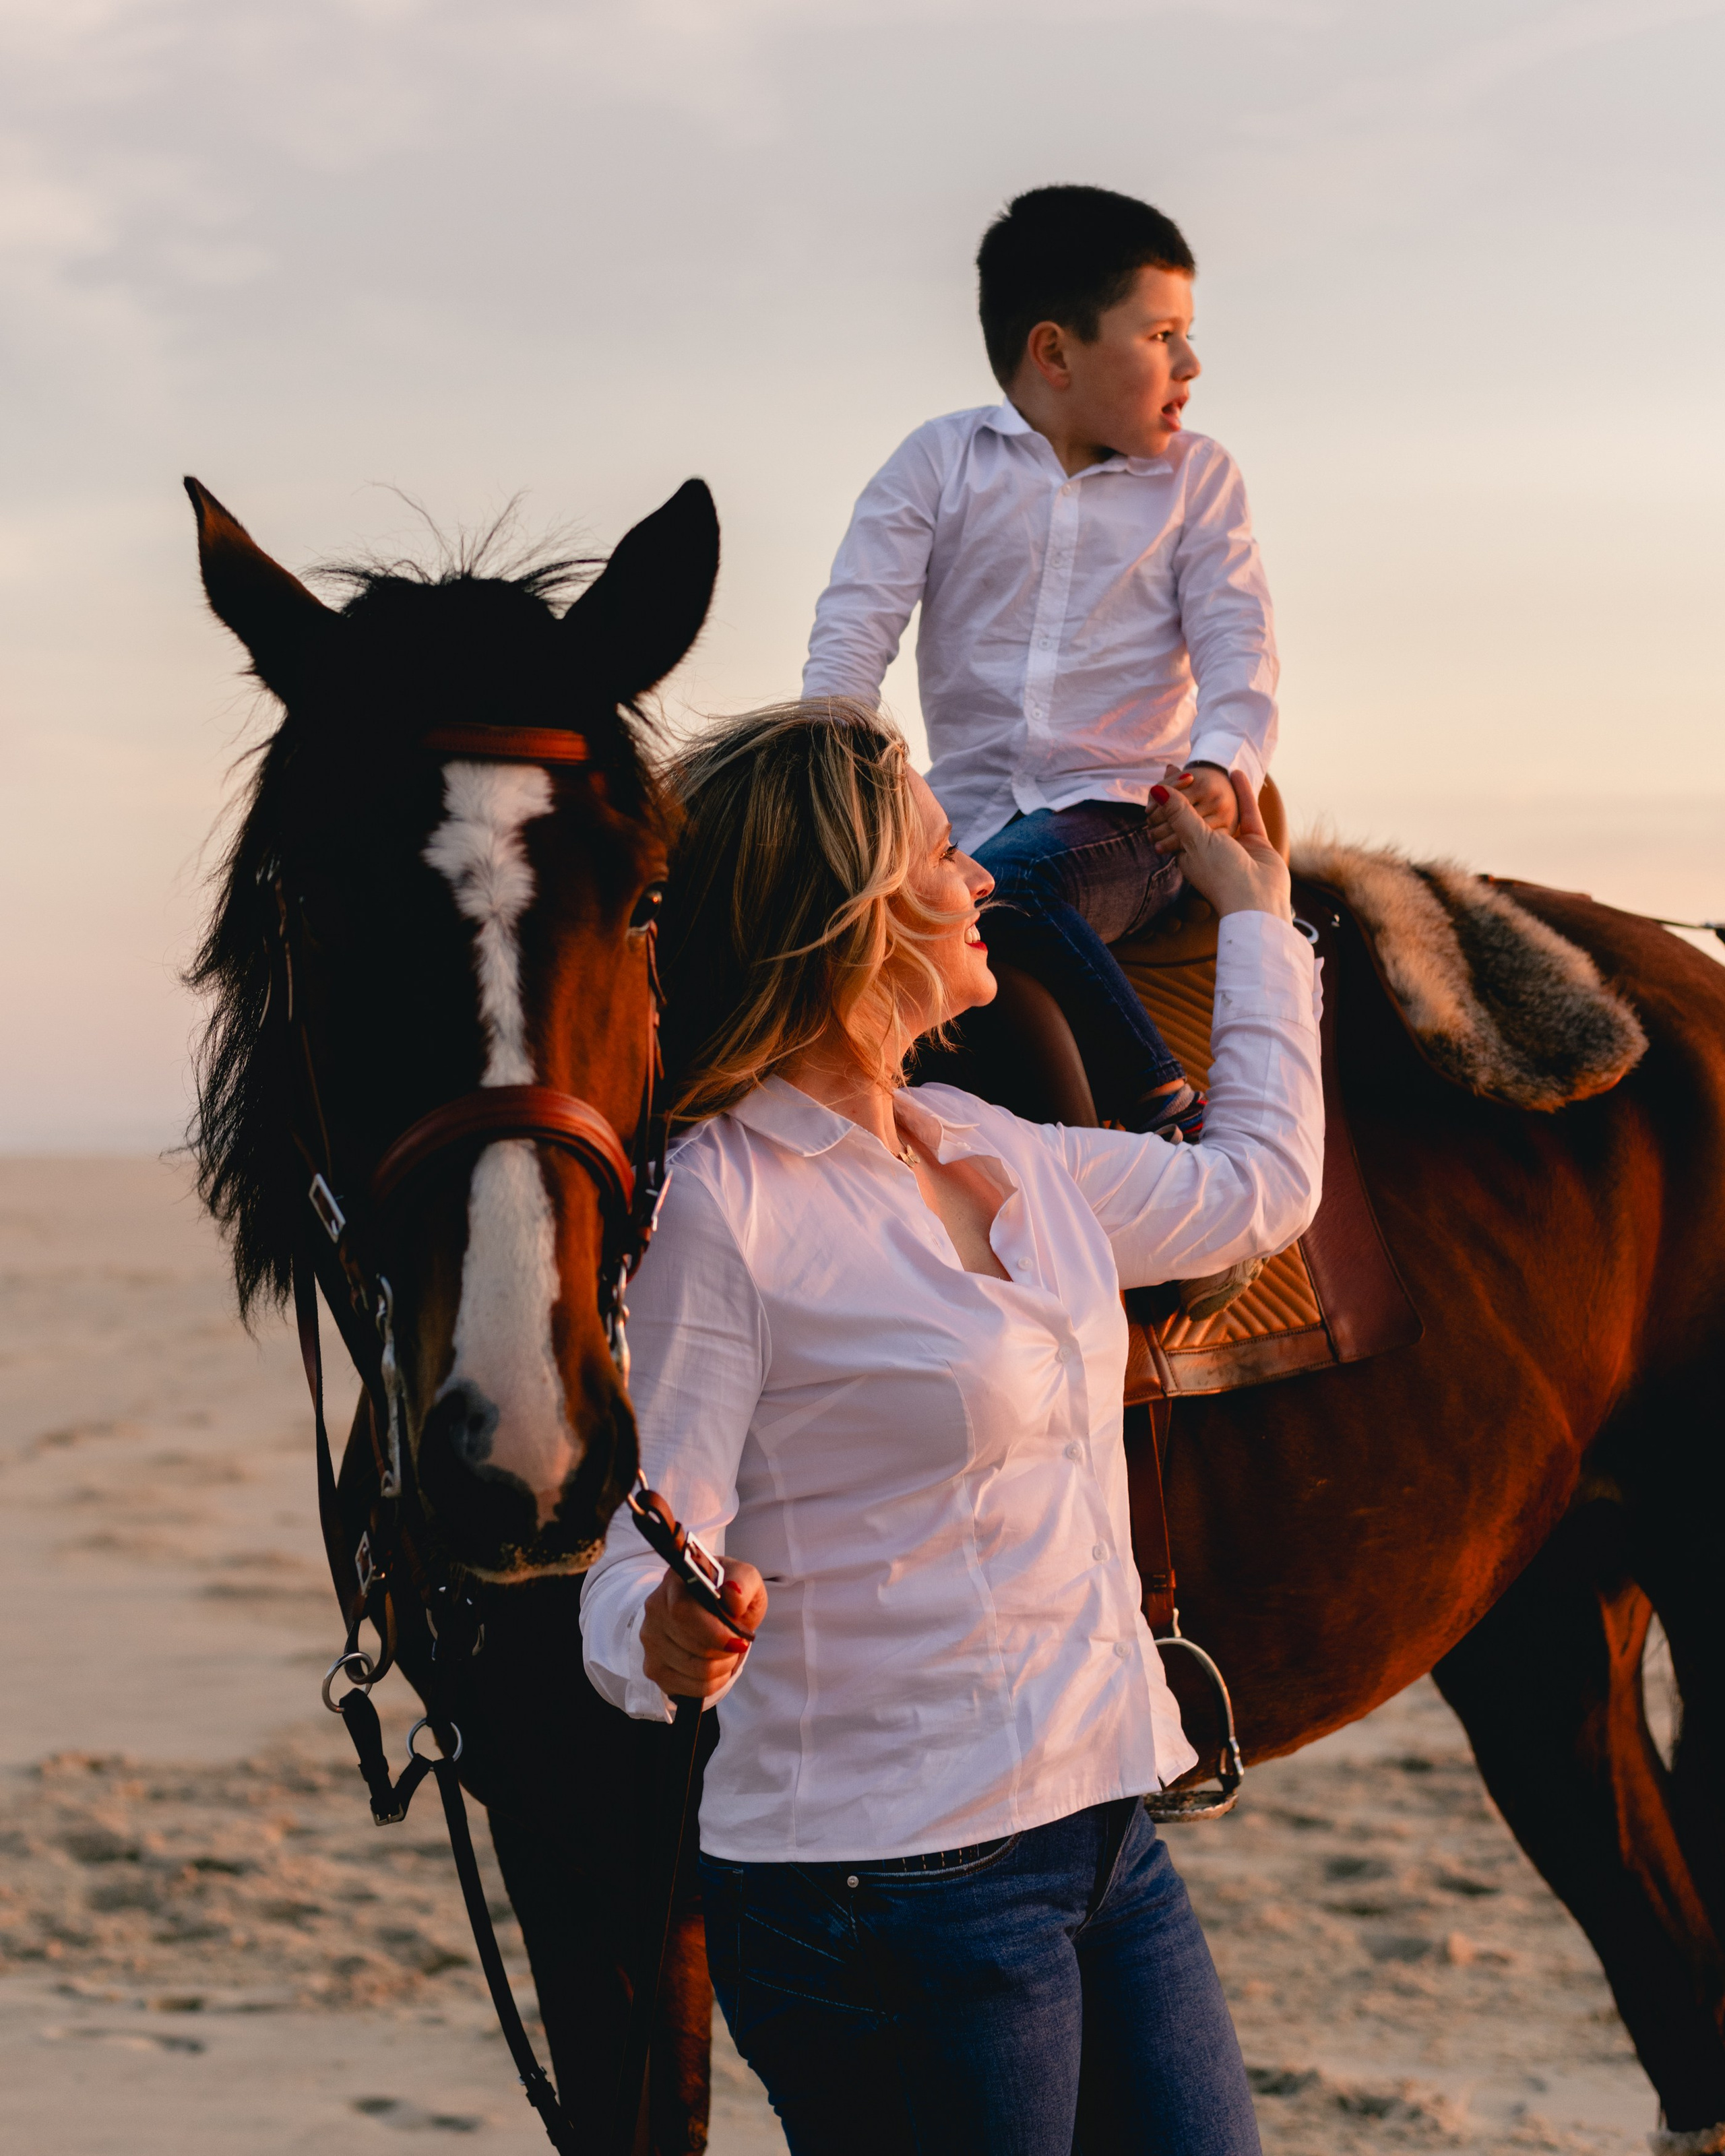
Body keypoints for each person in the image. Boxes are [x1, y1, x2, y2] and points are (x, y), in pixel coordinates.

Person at [579, 700, 1321, 2155]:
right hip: (888, 1887)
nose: (983, 875)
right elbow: (637, 1560)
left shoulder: (999, 1149)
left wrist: (1255, 925)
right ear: (850, 910)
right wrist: (663, 1638)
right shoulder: (716, 1208)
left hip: (1106, 1823)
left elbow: (1254, 1192)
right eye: (940, 852)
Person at [801, 185, 1278, 1167]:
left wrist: (1224, 767)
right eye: (1162, 335)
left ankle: (1171, 1121)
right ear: (1056, 353)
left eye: (1186, 336)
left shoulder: (1199, 481)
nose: (1191, 364)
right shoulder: (938, 463)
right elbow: (854, 629)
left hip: (1132, 815)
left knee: (993, 897)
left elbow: (1239, 643)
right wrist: (831, 775)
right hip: (968, 814)